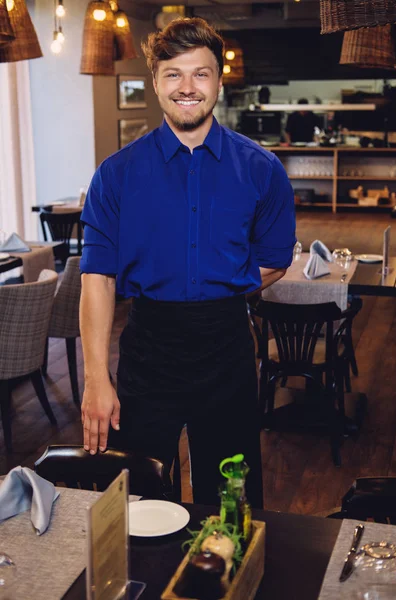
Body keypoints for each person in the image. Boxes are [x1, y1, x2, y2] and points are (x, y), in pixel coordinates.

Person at [79, 17, 296, 508]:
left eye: (200, 73)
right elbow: (97, 279)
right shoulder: (115, 176)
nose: (187, 87)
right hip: (148, 350)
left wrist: (215, 285)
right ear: (155, 82)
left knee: (231, 498)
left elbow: (276, 260)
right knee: (136, 498)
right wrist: (96, 377)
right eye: (173, 74)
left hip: (227, 351)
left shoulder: (262, 169)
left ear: (219, 81)